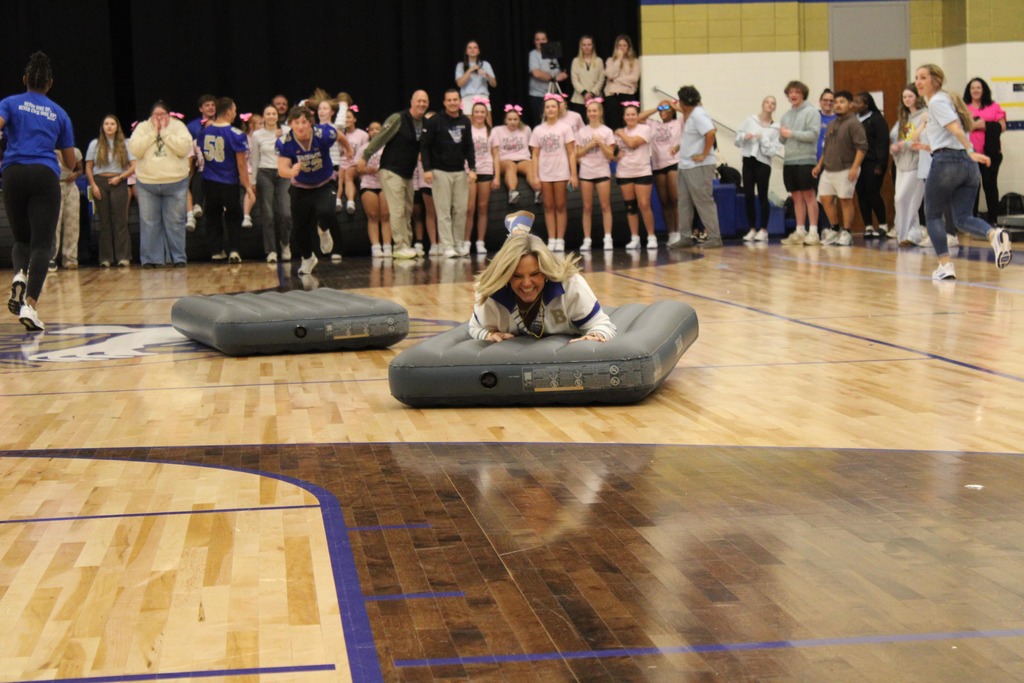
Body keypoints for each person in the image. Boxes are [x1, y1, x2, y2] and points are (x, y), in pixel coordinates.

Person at [913, 64, 1011, 280]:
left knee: (932, 215)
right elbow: (948, 137)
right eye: (916, 78)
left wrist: (970, 150)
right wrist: (929, 147)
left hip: (950, 161)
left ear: (936, 81)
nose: (918, 82)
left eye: (923, 77)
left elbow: (955, 130)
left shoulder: (938, 101)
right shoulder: (949, 102)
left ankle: (946, 266)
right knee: (963, 217)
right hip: (967, 165)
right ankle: (994, 234)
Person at [1, 52, 76, 331]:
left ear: (25, 80)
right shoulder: (59, 112)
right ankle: (30, 306)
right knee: (43, 245)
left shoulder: (9, 103)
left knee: (21, 239)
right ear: (50, 83)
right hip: (44, 175)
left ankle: (20, 274)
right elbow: (70, 161)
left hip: (13, 173)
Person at [469, 216, 616, 343]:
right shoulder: (491, 293)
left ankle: (518, 232)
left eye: (535, 274)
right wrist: (488, 334)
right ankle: (518, 232)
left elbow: (604, 326)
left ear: (545, 273)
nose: (527, 283)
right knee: (521, 246)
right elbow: (474, 327)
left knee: (527, 245)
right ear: (507, 277)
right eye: (517, 276)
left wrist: (595, 336)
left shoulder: (570, 285)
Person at [357, 90, 429, 259]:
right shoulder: (398, 118)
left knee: (407, 209)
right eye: (419, 101)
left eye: (425, 101)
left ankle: (407, 245)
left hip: (407, 173)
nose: (422, 104)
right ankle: (400, 246)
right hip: (391, 170)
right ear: (412, 102)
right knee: (397, 209)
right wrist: (365, 157)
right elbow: (380, 138)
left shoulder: (424, 123)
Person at [276, 106, 342, 275]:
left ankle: (324, 230)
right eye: (296, 123)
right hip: (301, 187)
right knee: (299, 229)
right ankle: (308, 258)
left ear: (310, 123)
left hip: (324, 183)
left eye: (304, 122)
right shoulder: (285, 142)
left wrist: (348, 149)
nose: (300, 126)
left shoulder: (323, 134)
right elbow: (282, 170)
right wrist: (292, 171)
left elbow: (339, 135)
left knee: (327, 211)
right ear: (290, 124)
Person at [128, 100, 192, 268]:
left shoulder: (178, 127)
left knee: (175, 222)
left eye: (162, 114)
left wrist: (164, 133)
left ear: (169, 115)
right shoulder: (142, 127)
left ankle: (178, 258)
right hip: (147, 183)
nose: (159, 118)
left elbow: (184, 148)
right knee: (149, 222)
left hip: (176, 182)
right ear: (151, 116)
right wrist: (153, 134)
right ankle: (151, 259)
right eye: (156, 115)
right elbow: (134, 149)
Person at [197, 97, 255, 263]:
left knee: (213, 215)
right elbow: (241, 164)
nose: (235, 113)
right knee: (233, 216)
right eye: (235, 110)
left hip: (208, 181)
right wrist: (248, 186)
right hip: (228, 182)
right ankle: (234, 250)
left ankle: (216, 251)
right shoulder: (236, 134)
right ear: (229, 111)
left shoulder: (204, 132)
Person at [422, 88, 476, 258]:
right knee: (443, 210)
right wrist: (427, 169)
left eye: (455, 100)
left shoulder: (465, 122)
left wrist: (472, 168)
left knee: (460, 209)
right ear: (444, 102)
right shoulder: (435, 121)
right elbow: (425, 146)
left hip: (460, 171)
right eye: (449, 100)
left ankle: (459, 243)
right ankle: (447, 246)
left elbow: (469, 146)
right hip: (440, 171)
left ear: (460, 101)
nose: (453, 103)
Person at [811, 91, 867, 247]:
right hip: (829, 168)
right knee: (825, 199)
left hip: (846, 167)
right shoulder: (832, 124)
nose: (837, 105)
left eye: (842, 102)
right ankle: (835, 229)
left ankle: (847, 232)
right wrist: (819, 165)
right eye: (836, 102)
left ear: (850, 104)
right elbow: (827, 148)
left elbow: (862, 147)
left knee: (845, 200)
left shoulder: (854, 123)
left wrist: (855, 167)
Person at [86, 115, 136, 268]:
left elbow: (133, 166)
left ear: (117, 126)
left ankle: (124, 256)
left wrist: (120, 177)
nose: (109, 126)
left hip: (118, 181)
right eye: (106, 124)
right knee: (104, 221)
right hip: (100, 182)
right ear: (102, 127)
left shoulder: (124, 144)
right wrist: (93, 186)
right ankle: (106, 258)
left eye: (112, 124)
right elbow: (88, 167)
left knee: (121, 220)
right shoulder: (95, 144)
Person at [674, 85, 721, 248]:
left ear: (683, 102)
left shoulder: (699, 115)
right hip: (686, 165)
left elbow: (710, 133)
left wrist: (704, 154)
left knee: (703, 200)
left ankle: (715, 237)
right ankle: (686, 236)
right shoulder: (693, 113)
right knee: (684, 202)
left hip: (698, 166)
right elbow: (695, 138)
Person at [530, 94, 578, 252]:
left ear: (559, 109)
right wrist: (535, 175)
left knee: (561, 206)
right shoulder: (538, 130)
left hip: (561, 172)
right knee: (548, 206)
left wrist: (573, 174)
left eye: (553, 106)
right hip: (545, 173)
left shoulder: (565, 128)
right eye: (548, 107)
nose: (551, 109)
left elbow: (571, 152)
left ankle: (560, 239)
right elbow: (535, 155)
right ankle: (551, 238)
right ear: (544, 110)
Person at [779, 80, 822, 245]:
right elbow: (783, 139)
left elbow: (813, 135)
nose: (793, 95)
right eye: (790, 92)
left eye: (796, 91)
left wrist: (791, 133)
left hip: (806, 159)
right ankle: (800, 231)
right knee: (796, 197)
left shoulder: (812, 112)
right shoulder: (786, 115)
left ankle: (813, 231)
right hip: (789, 160)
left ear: (803, 93)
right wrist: (782, 134)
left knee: (809, 195)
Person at [735, 96, 782, 242]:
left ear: (774, 108)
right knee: (748, 195)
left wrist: (764, 140)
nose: (770, 105)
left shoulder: (776, 128)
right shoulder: (750, 120)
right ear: (762, 104)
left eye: (773, 103)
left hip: (763, 163)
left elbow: (774, 150)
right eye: (767, 102)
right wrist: (746, 137)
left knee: (762, 195)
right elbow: (737, 139)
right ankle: (752, 228)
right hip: (748, 160)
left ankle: (763, 229)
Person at [638, 100, 683, 247]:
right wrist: (656, 108)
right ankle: (671, 232)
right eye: (661, 109)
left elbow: (690, 113)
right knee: (664, 201)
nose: (663, 111)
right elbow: (639, 118)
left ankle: (679, 231)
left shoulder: (678, 122)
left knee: (675, 198)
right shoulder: (653, 124)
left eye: (666, 108)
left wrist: (674, 105)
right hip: (658, 165)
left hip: (673, 162)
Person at [251, 103, 292, 263]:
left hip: (283, 173)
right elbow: (255, 158)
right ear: (263, 116)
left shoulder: (286, 131)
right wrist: (253, 180)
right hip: (265, 173)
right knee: (268, 214)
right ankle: (271, 251)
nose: (271, 116)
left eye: (273, 113)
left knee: (286, 214)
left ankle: (285, 243)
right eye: (268, 114)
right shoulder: (257, 135)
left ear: (278, 116)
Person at [964, 77, 1007, 225]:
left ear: (984, 90)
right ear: (969, 91)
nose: (975, 90)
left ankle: (993, 220)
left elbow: (1002, 126)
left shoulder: (994, 106)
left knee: (990, 185)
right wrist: (975, 126)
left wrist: (985, 126)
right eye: (972, 88)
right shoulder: (964, 107)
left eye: (979, 87)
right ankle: (971, 219)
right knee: (972, 187)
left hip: (991, 153)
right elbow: (959, 128)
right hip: (970, 154)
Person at [575, 98, 616, 251]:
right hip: (586, 171)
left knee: (605, 206)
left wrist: (601, 144)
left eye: (595, 110)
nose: (592, 113)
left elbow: (611, 155)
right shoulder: (581, 132)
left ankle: (608, 238)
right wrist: (589, 146)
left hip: (602, 171)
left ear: (600, 112)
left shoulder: (607, 131)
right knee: (587, 207)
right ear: (587, 113)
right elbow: (577, 154)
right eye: (589, 111)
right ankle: (587, 239)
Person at [615, 102, 656, 250]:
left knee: (644, 204)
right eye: (628, 114)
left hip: (641, 171)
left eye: (633, 114)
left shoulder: (644, 129)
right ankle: (635, 237)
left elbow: (632, 143)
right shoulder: (620, 132)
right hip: (624, 171)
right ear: (624, 117)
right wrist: (615, 153)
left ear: (637, 116)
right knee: (630, 207)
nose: (630, 117)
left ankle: (651, 236)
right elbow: (615, 150)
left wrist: (620, 134)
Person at [889, 85, 927, 245]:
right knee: (905, 200)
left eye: (910, 96)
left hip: (917, 164)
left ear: (917, 97)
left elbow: (919, 141)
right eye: (904, 97)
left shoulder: (924, 115)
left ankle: (905, 232)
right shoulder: (905, 117)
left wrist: (904, 144)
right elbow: (900, 139)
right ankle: (911, 234)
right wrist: (894, 147)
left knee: (902, 198)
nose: (907, 100)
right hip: (902, 163)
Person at [853, 92, 890, 238]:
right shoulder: (854, 120)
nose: (856, 105)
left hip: (872, 163)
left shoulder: (877, 119)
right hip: (857, 163)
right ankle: (868, 226)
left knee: (873, 193)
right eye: (854, 102)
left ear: (867, 104)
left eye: (859, 103)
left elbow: (882, 143)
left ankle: (883, 225)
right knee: (861, 194)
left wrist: (880, 164)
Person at [464, 100, 498, 255]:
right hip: (470, 171)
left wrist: (496, 176)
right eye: (476, 112)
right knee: (469, 208)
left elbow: (496, 155)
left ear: (486, 114)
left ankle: (480, 241)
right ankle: (466, 242)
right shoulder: (467, 130)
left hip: (486, 170)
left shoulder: (491, 132)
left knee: (483, 207)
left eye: (482, 112)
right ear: (472, 114)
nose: (479, 115)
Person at [491, 104, 537, 205]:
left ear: (519, 119)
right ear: (505, 120)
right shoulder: (497, 130)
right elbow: (494, 151)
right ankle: (512, 192)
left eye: (515, 119)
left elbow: (532, 147)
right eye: (510, 119)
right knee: (510, 165)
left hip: (522, 159)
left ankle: (538, 192)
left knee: (530, 166)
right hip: (504, 160)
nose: (512, 122)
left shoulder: (526, 129)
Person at [358, 121, 391, 257]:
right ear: (368, 132)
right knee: (372, 216)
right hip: (368, 184)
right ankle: (376, 246)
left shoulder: (388, 147)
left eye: (378, 129)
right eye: (372, 129)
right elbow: (357, 169)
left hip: (385, 184)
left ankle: (388, 246)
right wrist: (366, 169)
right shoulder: (364, 148)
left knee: (385, 216)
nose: (375, 131)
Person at [52, 146, 83, 271]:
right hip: (54, 186)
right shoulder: (49, 151)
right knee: (55, 224)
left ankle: (70, 258)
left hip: (70, 186)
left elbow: (81, 169)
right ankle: (51, 258)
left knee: (72, 223)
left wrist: (75, 174)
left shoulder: (75, 151)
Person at [528, 31, 567, 125]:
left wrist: (562, 75)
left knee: (555, 122)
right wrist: (553, 79)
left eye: (543, 39)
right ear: (534, 41)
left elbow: (556, 70)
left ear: (547, 40)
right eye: (537, 39)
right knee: (541, 123)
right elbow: (536, 73)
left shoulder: (552, 52)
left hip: (553, 94)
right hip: (538, 96)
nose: (540, 42)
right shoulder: (533, 54)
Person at [603, 35, 640, 131]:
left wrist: (616, 80)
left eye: (624, 45)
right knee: (613, 124)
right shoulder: (610, 61)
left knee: (627, 123)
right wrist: (618, 60)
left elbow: (634, 78)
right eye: (619, 46)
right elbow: (610, 75)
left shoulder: (635, 62)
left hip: (627, 95)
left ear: (628, 47)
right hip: (612, 95)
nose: (622, 48)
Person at [455, 40, 497, 117]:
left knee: (486, 124)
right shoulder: (461, 65)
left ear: (478, 51)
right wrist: (470, 70)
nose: (472, 50)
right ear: (466, 51)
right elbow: (459, 84)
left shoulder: (485, 64)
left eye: (475, 47)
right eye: (469, 48)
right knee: (468, 124)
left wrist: (486, 74)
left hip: (482, 96)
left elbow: (494, 84)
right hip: (467, 98)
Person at [569, 36, 604, 118]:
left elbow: (601, 80)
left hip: (595, 98)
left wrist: (592, 93)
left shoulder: (599, 61)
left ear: (593, 46)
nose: (587, 47)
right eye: (584, 45)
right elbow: (574, 80)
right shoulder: (575, 61)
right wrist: (584, 93)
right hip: (579, 99)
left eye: (589, 44)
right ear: (581, 46)